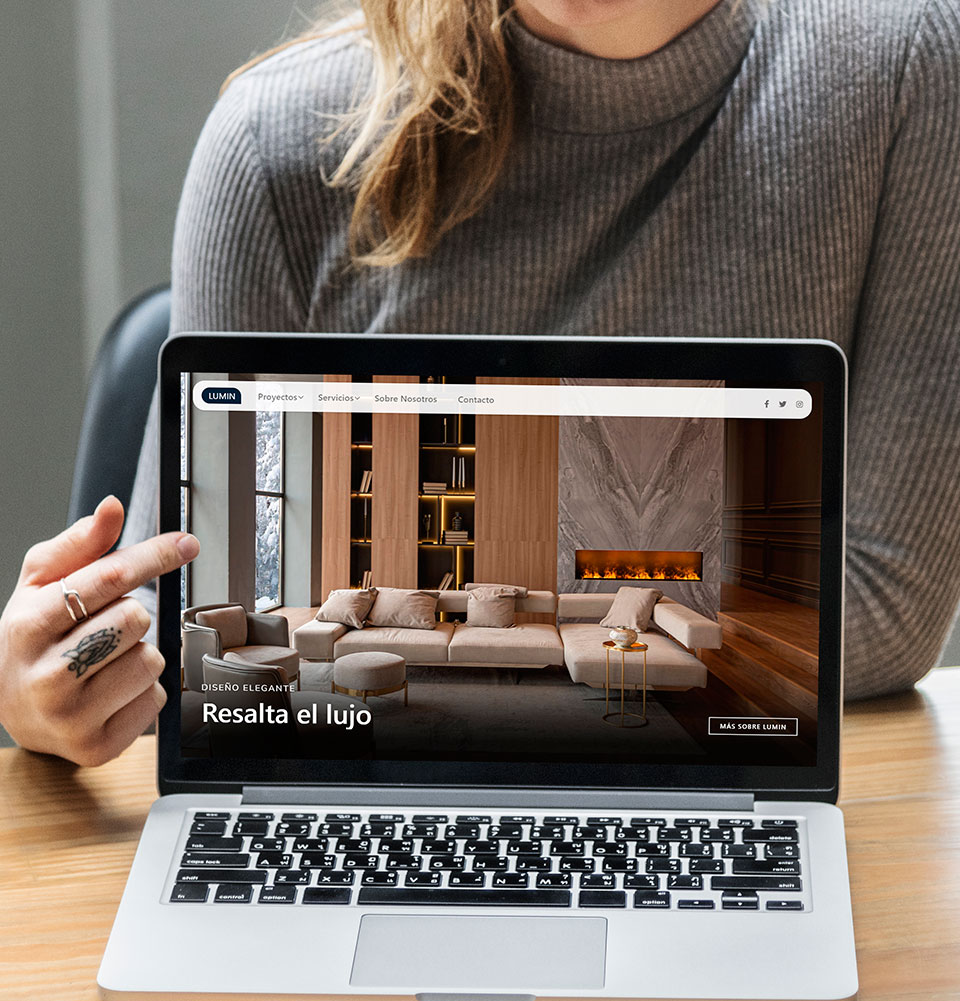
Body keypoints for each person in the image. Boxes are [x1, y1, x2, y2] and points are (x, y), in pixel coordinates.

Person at [3, 0, 959, 764]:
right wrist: (53, 689)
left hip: (718, 778)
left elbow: (882, 604)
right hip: (361, 797)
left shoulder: (907, 67)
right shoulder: (275, 142)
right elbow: (179, 633)